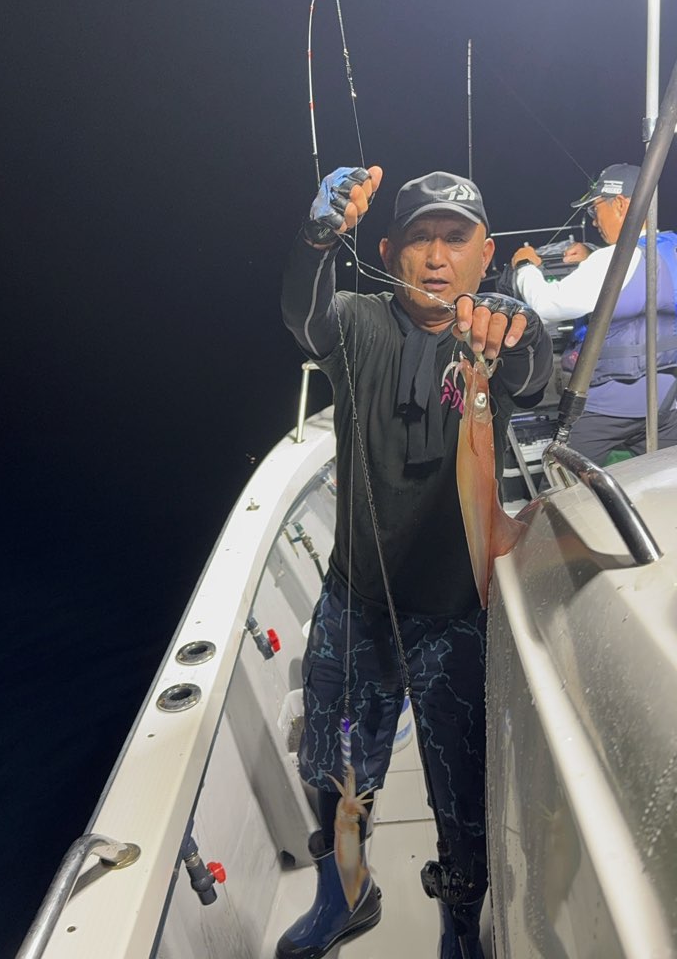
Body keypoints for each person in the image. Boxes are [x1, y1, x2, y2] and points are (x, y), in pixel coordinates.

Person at [278, 166, 553, 959]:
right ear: (388, 250)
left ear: (486, 253)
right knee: (335, 767)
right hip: (356, 606)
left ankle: (462, 928)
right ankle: (346, 894)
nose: (436, 257)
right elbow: (304, 317)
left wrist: (521, 329)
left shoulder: (489, 337)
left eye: (455, 238)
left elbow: (533, 375)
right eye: (420, 238)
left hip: (456, 621)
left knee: (463, 796)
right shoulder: (358, 324)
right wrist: (315, 241)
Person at [511, 163, 677, 465]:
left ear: (621, 204)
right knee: (664, 481)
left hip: (606, 407)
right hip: (666, 403)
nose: (594, 220)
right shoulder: (671, 246)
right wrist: (590, 252)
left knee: (563, 478)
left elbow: (546, 306)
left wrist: (525, 267)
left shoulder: (613, 259)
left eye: (595, 208)